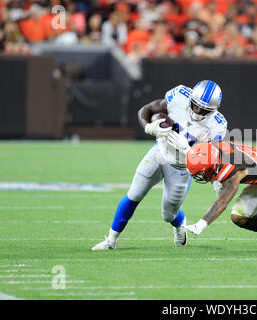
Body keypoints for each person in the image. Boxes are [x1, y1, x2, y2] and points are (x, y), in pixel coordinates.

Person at [92, 80, 228, 250]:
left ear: (213, 110)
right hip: (159, 152)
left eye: (205, 110)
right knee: (134, 194)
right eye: (195, 106)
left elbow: (212, 158)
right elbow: (146, 110)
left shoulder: (217, 124)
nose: (198, 112)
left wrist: (190, 152)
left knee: (168, 214)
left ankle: (179, 225)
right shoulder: (179, 96)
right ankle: (111, 240)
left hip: (181, 168)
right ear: (190, 99)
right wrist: (148, 127)